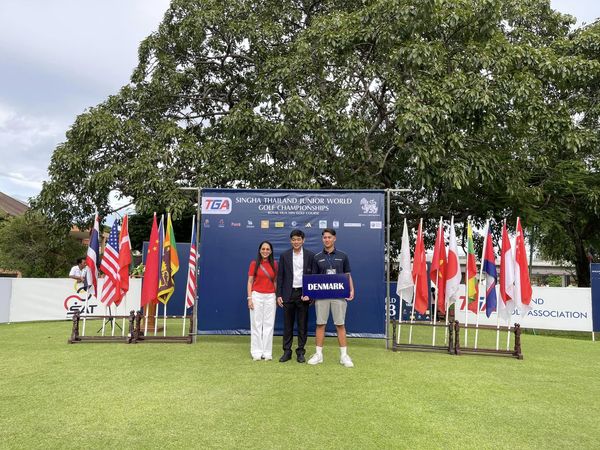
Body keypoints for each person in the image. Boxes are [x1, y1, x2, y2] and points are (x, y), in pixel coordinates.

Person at [308, 228, 355, 368]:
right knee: (320, 324)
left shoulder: (343, 256)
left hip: (339, 295)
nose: (327, 240)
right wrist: (311, 294)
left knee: (340, 324)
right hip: (322, 296)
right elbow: (314, 279)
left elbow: (347, 275)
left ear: (334, 238)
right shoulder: (317, 257)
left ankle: (344, 356)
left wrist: (351, 289)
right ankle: (318, 355)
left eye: (329, 237)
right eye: (324, 238)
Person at [276, 229, 315, 363]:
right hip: (288, 293)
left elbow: (313, 278)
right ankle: (287, 351)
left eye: (298, 239)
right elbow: (280, 276)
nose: (296, 242)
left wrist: (310, 294)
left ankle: (300, 352)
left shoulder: (310, 256)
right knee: (288, 325)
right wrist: (279, 294)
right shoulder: (284, 255)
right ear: (290, 241)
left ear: (303, 240)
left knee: (302, 325)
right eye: (294, 239)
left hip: (303, 294)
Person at [247, 241, 278, 361]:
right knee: (256, 325)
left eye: (267, 249)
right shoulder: (254, 264)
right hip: (256, 296)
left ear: (271, 251)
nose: (265, 251)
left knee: (269, 325)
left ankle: (267, 352)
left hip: (270, 296)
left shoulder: (274, 264)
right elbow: (250, 282)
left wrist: (275, 296)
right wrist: (249, 298)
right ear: (260, 250)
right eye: (263, 249)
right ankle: (256, 352)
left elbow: (275, 281)